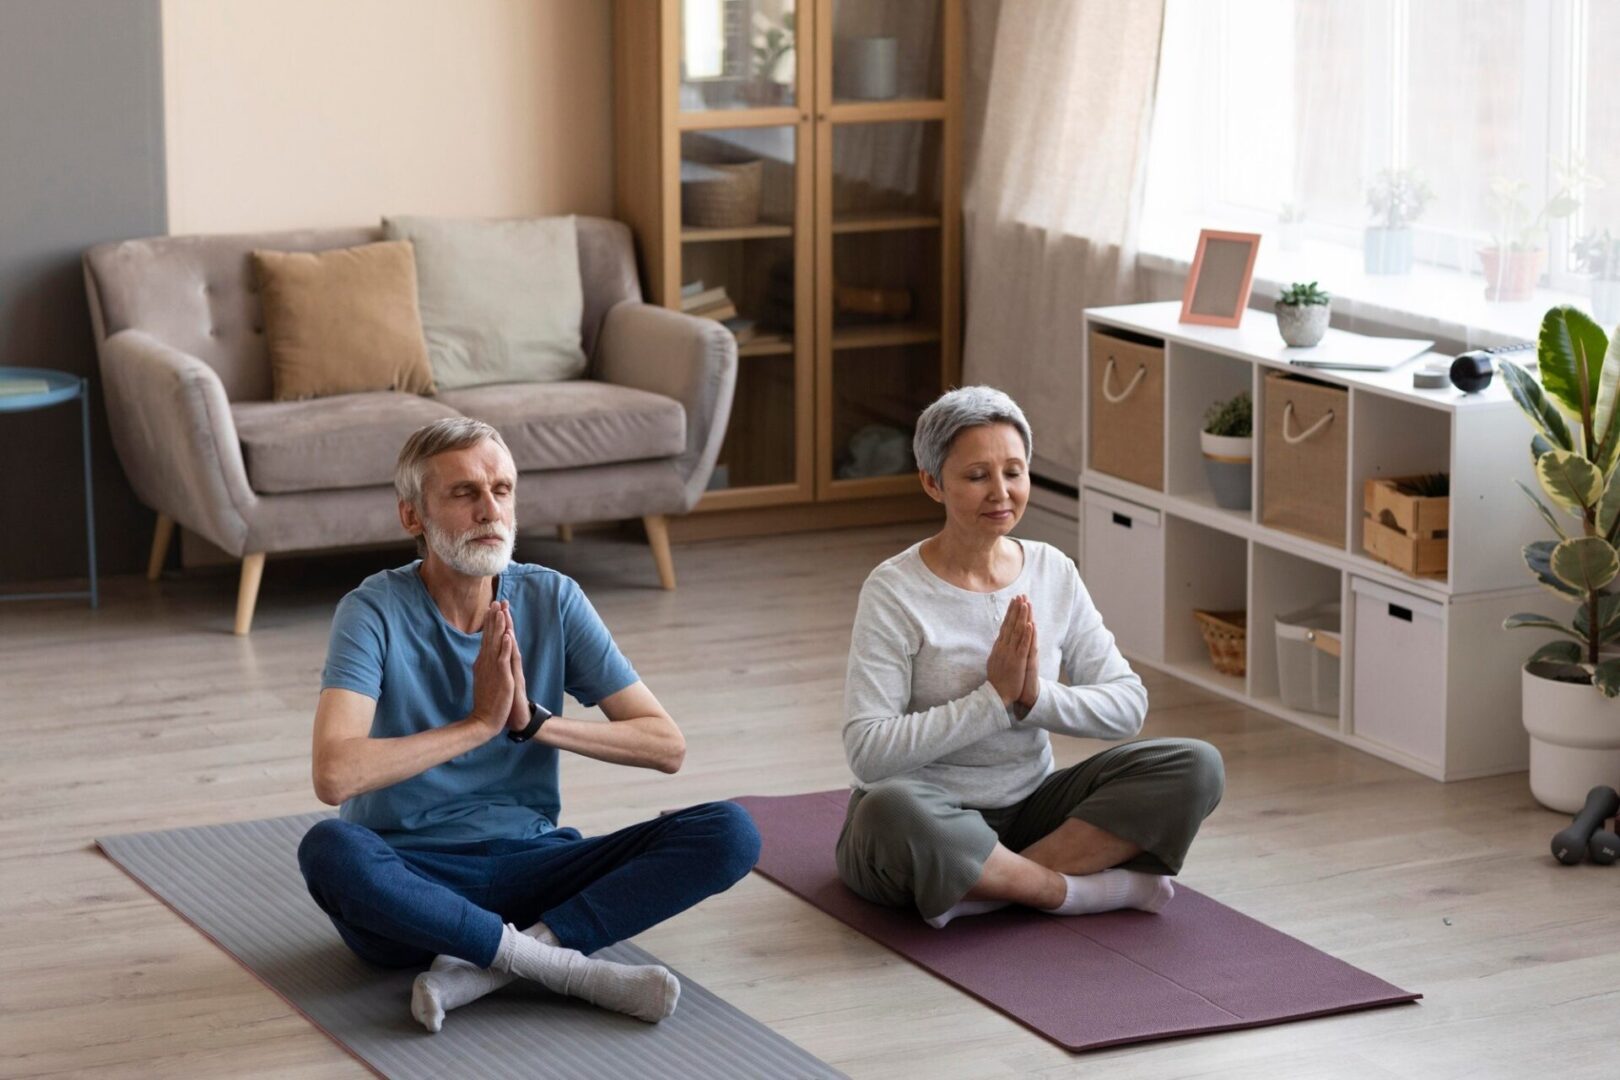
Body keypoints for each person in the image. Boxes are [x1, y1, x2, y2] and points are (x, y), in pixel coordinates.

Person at [296, 417, 760, 1033]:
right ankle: (568, 968)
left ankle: (505, 960)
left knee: (730, 831)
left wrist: (533, 723)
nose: (491, 510)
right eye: (464, 493)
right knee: (329, 850)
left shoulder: (553, 598)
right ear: (413, 517)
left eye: (503, 490)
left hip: (536, 870)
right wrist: (480, 723)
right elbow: (334, 775)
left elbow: (665, 745)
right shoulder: (371, 610)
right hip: (413, 884)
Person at [836, 387, 1224, 929]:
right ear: (932, 482)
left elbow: (1127, 706)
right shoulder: (894, 590)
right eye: (977, 476)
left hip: (1034, 812)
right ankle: (1072, 891)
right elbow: (867, 754)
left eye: (1013, 472)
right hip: (930, 817)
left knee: (1196, 764)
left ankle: (990, 887)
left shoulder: (1052, 570)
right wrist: (992, 702)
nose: (1001, 492)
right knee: (888, 809)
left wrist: (1033, 697)